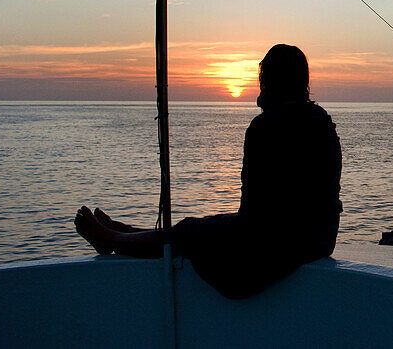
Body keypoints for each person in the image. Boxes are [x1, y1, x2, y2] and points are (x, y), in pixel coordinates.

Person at [75, 43, 343, 299]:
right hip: (318, 238)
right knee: (199, 229)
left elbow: (253, 215)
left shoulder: (266, 127)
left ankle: (113, 240)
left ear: (272, 81)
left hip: (280, 243)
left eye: (263, 78)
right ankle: (129, 233)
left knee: (190, 231)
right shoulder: (321, 122)